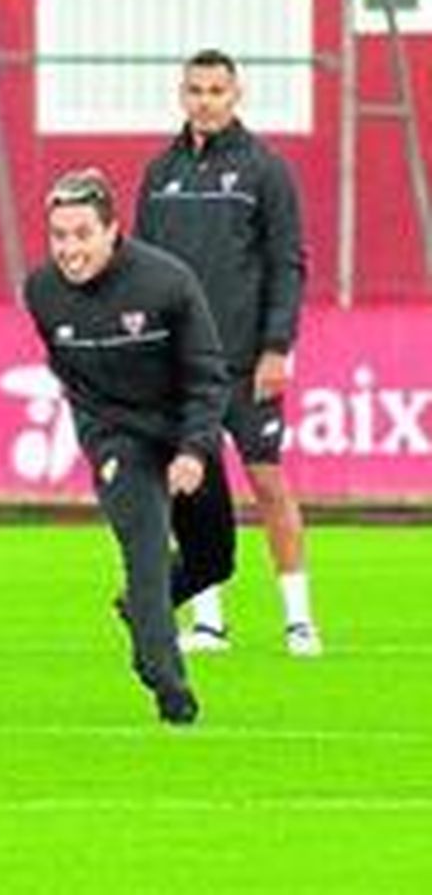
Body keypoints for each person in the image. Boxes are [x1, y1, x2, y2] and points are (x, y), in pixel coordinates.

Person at [24, 168, 235, 726]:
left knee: (215, 559)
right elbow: (70, 376)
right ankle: (169, 686)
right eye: (59, 236)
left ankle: (139, 610)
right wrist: (101, 440)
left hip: (183, 433)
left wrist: (194, 449)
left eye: (82, 234)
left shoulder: (168, 283)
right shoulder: (40, 291)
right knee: (144, 550)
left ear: (112, 230)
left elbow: (207, 377)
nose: (69, 250)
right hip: (116, 435)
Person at [135, 48, 322, 657]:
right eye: (196, 90)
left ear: (236, 95)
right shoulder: (160, 173)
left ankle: (299, 619)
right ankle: (209, 623)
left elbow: (287, 263)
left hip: (244, 362)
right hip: (179, 367)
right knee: (190, 489)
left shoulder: (265, 170)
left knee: (267, 481)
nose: (206, 101)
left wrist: (277, 347)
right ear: (181, 95)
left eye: (217, 90)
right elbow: (141, 269)